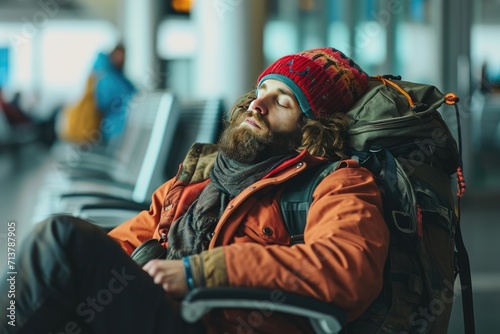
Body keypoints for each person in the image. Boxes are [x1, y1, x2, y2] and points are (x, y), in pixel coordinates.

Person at [0, 47, 389, 333]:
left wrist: (201, 271)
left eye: (282, 100)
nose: (258, 104)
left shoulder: (340, 183)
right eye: (262, 90)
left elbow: (345, 269)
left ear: (313, 126)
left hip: (210, 321)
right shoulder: (207, 174)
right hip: (167, 308)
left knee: (60, 238)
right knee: (57, 264)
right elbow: (134, 236)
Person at [58, 43, 136, 146]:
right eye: (119, 55)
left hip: (109, 128)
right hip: (109, 129)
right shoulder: (106, 75)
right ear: (113, 54)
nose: (121, 59)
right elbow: (116, 96)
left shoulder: (106, 73)